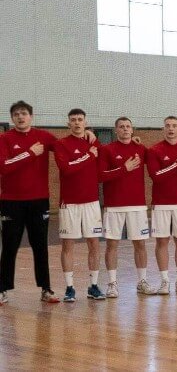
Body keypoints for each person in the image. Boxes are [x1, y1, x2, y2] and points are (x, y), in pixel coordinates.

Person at [0, 100, 93, 305]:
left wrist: (87, 134)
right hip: (11, 202)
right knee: (9, 246)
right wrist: (30, 153)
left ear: (31, 117)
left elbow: (66, 145)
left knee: (40, 246)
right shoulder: (4, 139)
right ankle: (2, 289)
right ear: (12, 118)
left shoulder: (43, 136)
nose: (20, 117)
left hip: (39, 201)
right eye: (16, 114)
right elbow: (3, 166)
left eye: (24, 113)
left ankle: (46, 289)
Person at [98, 116, 157, 297]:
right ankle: (112, 284)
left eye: (128, 126)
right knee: (111, 245)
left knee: (140, 244)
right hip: (114, 205)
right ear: (116, 130)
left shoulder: (141, 149)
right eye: (121, 126)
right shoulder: (107, 150)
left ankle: (142, 281)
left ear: (132, 129)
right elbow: (101, 176)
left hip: (137, 205)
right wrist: (124, 168)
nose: (125, 129)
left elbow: (159, 154)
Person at [54, 109, 105, 302]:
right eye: (73, 120)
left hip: (91, 202)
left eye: (80, 120)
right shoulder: (61, 144)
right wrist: (88, 156)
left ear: (85, 122)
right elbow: (66, 169)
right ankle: (69, 288)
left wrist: (135, 139)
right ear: (68, 123)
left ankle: (94, 286)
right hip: (69, 203)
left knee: (94, 244)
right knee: (68, 245)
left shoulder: (94, 142)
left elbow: (111, 152)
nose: (77, 123)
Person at [146, 116, 177, 295]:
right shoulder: (154, 150)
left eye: (174, 126)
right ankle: (165, 281)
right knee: (162, 241)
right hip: (161, 204)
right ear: (163, 129)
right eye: (167, 126)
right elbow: (156, 176)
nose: (171, 129)